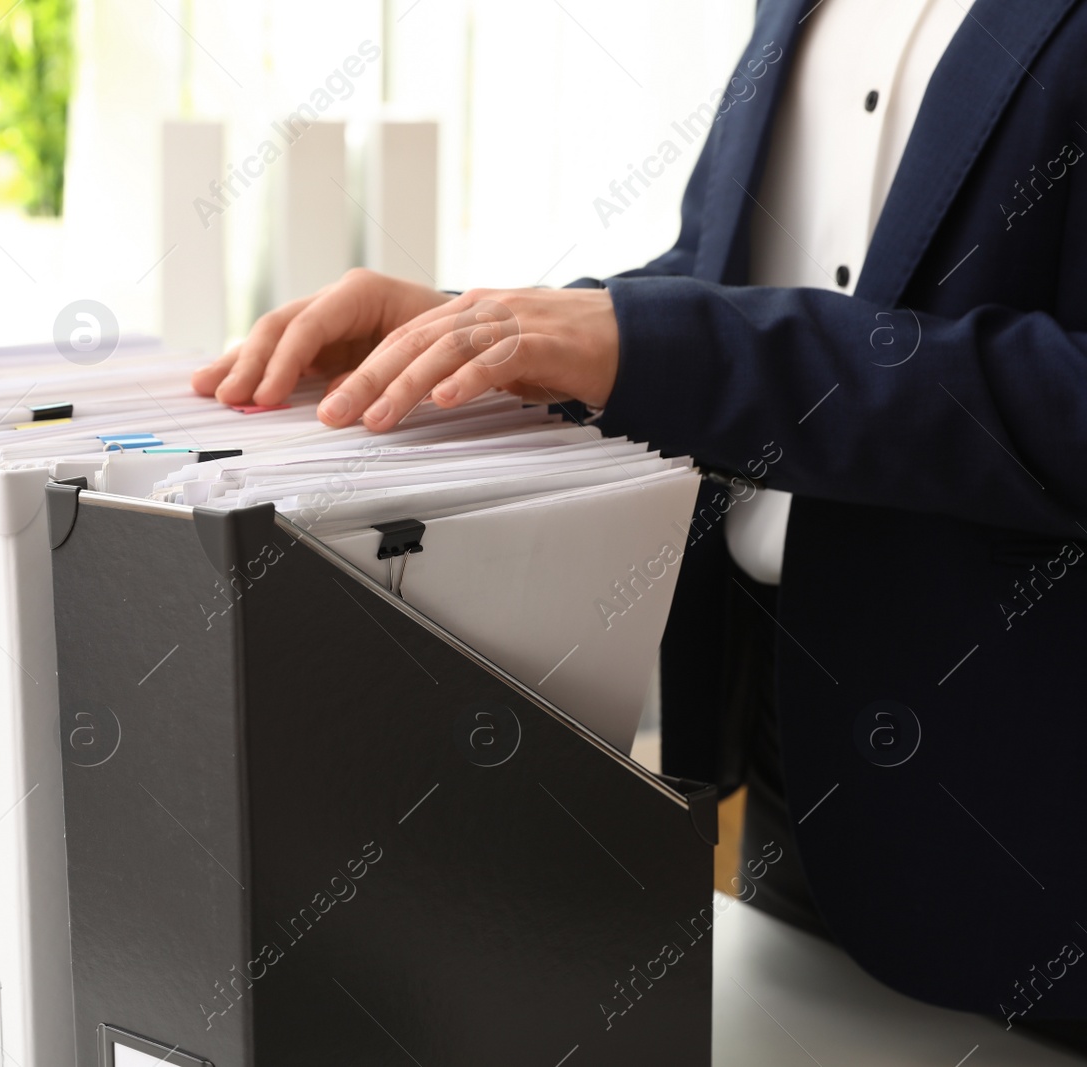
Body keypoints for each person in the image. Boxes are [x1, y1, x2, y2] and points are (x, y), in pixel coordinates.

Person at [194, 0, 1087, 1050]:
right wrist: (481, 334)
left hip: (1032, 792)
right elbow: (731, 279)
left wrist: (655, 343)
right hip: (785, 737)